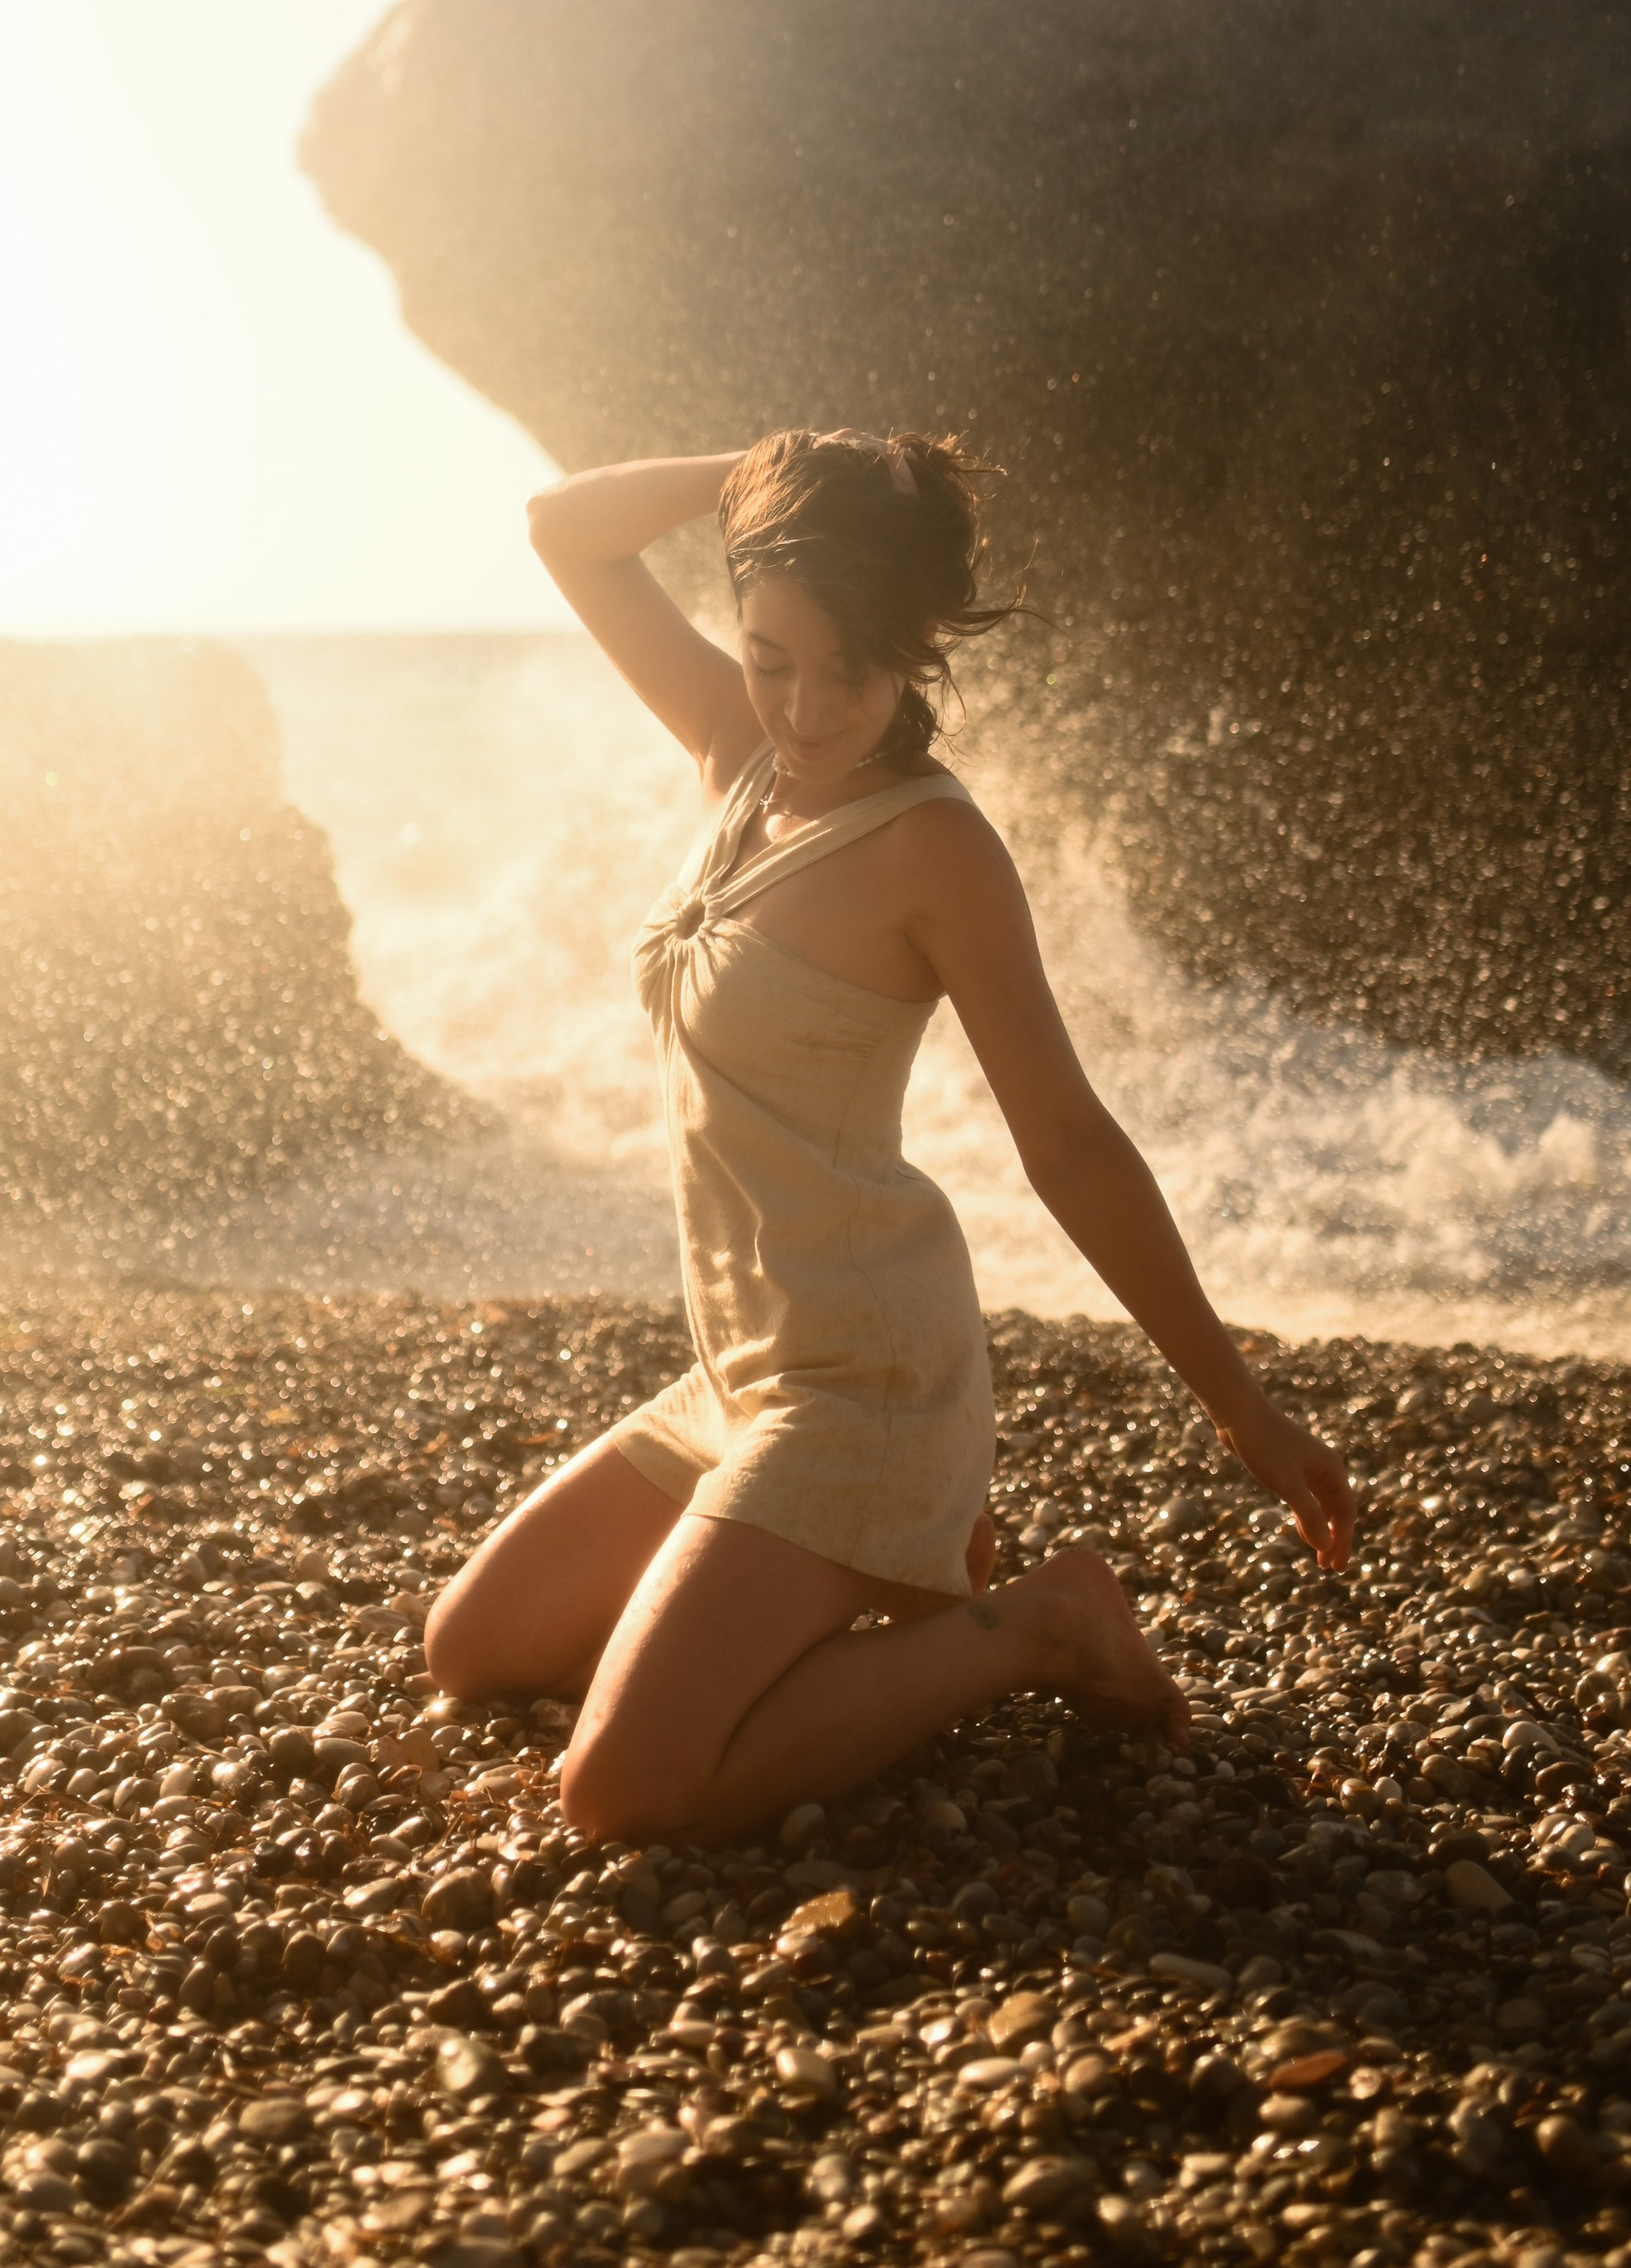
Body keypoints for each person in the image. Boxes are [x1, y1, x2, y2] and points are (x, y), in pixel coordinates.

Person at [424, 429, 1353, 1841]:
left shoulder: (935, 851)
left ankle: (1039, 1625)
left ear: (914, 650)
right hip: (745, 1367)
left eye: (849, 669)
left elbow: (1071, 1145)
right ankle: (865, 1593)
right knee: (473, 1648)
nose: (805, 706)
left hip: (867, 1385)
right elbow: (566, 528)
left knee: (621, 1792)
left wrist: (1243, 1404)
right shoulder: (740, 757)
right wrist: (760, 465)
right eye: (771, 655)